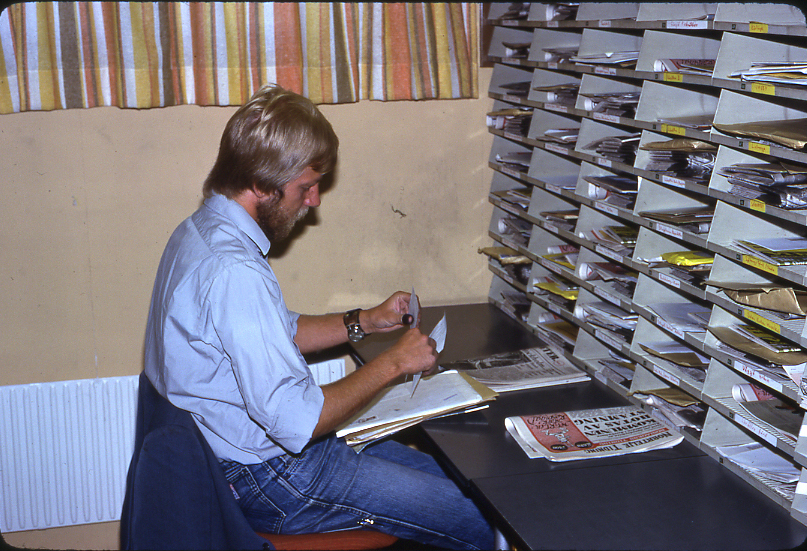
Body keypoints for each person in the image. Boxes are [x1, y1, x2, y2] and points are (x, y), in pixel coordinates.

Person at [143, 84, 494, 550]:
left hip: (255, 458)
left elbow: (277, 331)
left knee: (467, 481)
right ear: (263, 184)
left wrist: (364, 321)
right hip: (272, 478)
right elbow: (298, 422)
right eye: (305, 187)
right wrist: (393, 363)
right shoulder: (234, 270)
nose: (314, 201)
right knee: (476, 514)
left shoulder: (201, 233)